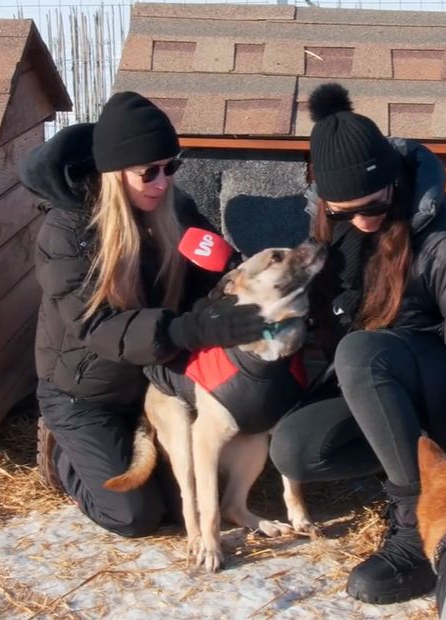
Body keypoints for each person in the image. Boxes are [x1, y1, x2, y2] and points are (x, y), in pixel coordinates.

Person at [268, 83, 446, 604]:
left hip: (442, 392)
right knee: (294, 449)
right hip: (377, 386)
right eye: (344, 212)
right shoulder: (330, 236)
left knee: (360, 350)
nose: (363, 220)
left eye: (375, 204)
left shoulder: (445, 237)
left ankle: (414, 529)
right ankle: (409, 474)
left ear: (394, 181)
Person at [18, 91, 266, 537]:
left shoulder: (175, 208)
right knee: (133, 515)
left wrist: (234, 283)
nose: (163, 181)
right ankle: (62, 456)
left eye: (172, 166)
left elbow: (207, 278)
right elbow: (96, 327)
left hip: (154, 384)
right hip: (86, 395)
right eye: (148, 171)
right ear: (114, 173)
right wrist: (192, 328)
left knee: (191, 498)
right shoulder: (67, 232)